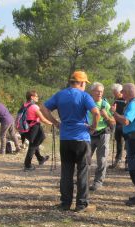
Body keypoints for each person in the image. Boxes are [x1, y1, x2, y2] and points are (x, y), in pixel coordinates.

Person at [42, 70, 100, 212]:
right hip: (81, 139)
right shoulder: (84, 96)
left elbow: (43, 108)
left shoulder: (60, 94)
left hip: (65, 138)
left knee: (66, 172)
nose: (85, 86)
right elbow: (96, 113)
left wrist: (56, 123)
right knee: (83, 171)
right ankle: (81, 204)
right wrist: (93, 127)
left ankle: (65, 203)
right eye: (85, 83)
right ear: (81, 83)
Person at [111, 83, 135, 207]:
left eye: (123, 92)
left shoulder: (133, 105)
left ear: (129, 92)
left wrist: (114, 114)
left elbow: (126, 121)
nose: (122, 94)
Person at [88, 82, 116, 191]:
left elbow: (113, 122)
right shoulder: (87, 103)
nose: (100, 93)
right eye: (97, 91)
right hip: (89, 133)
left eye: (101, 91)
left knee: (102, 160)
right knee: (85, 158)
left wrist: (106, 116)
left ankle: (98, 182)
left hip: (103, 134)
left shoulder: (106, 105)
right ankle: (83, 178)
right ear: (92, 92)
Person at [21, 90, 53, 171]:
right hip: (35, 127)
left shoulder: (25, 105)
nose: (37, 97)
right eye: (36, 96)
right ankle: (27, 165)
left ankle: (40, 158)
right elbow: (42, 119)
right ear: (32, 97)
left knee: (36, 142)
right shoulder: (34, 107)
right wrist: (52, 123)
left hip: (27, 128)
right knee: (34, 144)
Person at [109, 83, 126, 169]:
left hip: (125, 124)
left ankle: (127, 162)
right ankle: (118, 160)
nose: (113, 93)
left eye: (114, 91)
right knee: (118, 142)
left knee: (127, 144)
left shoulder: (126, 99)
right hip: (117, 124)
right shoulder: (116, 100)